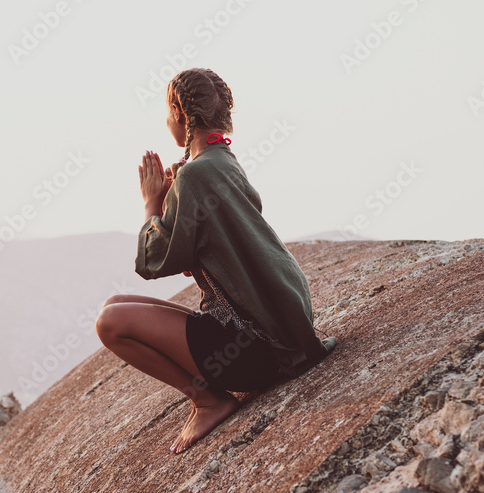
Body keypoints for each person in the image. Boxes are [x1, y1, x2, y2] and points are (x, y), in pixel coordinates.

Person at [95, 67, 336, 454]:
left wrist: (151, 203)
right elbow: (204, 251)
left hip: (251, 348)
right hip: (275, 330)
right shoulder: (222, 160)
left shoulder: (197, 175)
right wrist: (175, 196)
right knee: (114, 305)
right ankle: (211, 394)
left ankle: (208, 400)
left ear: (179, 110)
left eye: (167, 112)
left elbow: (152, 262)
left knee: (110, 323)